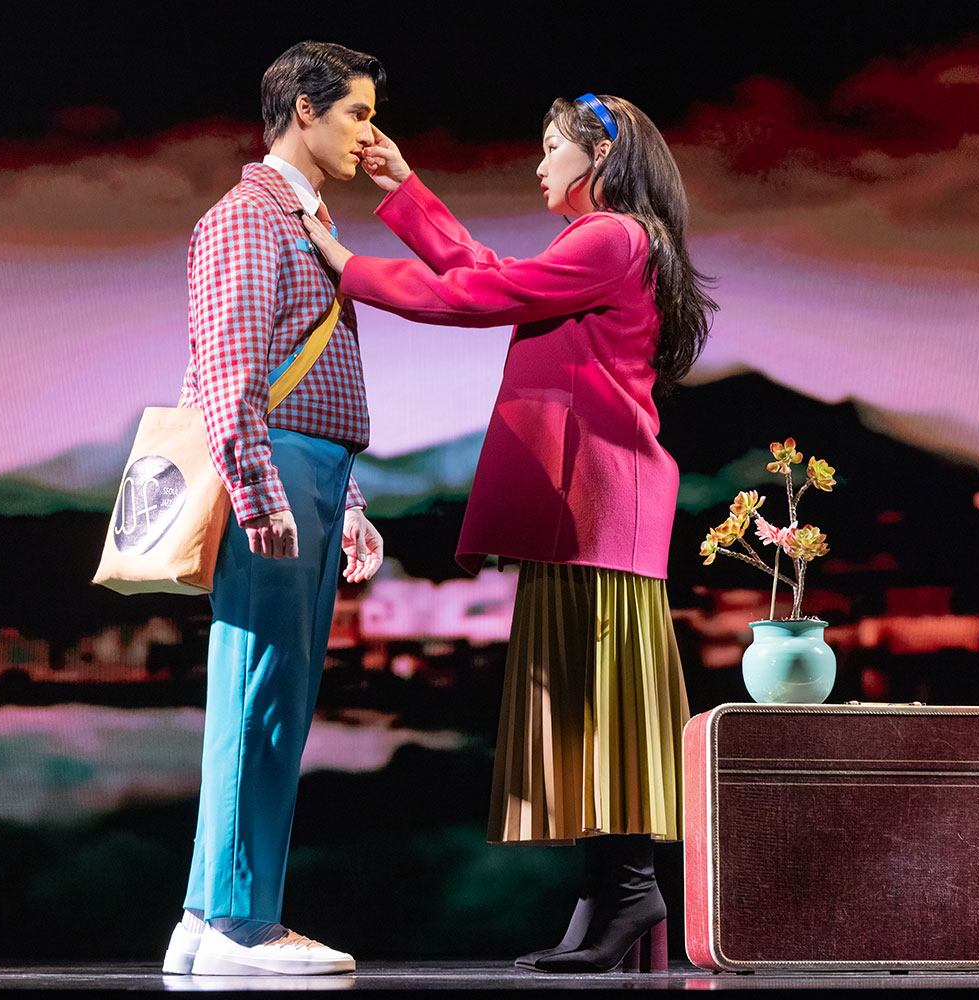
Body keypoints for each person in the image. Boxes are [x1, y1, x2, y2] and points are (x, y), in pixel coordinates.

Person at [299, 93, 716, 973]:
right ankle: (612, 892)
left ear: (599, 157)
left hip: (599, 506)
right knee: (589, 706)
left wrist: (344, 263)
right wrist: (405, 187)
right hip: (591, 508)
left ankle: (631, 890)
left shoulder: (612, 239)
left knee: (602, 708)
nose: (539, 165)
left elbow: (479, 294)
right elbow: (487, 271)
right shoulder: (607, 243)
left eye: (552, 148)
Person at [160, 40, 387, 978]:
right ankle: (238, 924)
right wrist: (259, 490)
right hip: (278, 471)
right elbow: (230, 369)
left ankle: (208, 914)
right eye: (357, 114)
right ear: (303, 107)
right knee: (260, 697)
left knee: (269, 700)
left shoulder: (301, 219)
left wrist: (353, 502)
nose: (369, 134)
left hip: (311, 469)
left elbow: (303, 368)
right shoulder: (249, 220)